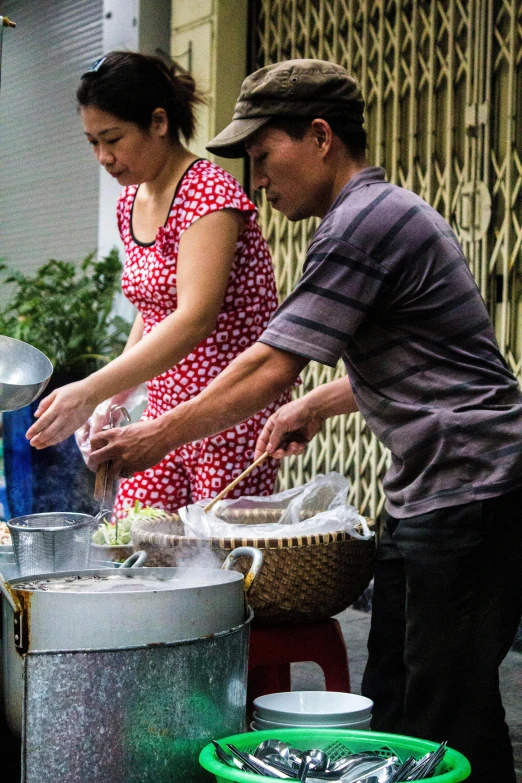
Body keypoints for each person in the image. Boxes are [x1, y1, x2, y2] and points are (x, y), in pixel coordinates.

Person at [32, 58, 522, 781]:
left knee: (449, 711)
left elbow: (266, 364)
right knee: (396, 694)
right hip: (434, 487)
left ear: (320, 137)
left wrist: (152, 435)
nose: (258, 180)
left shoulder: (360, 224)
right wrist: (315, 404)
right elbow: (424, 358)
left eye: (264, 156)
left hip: (472, 486)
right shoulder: (374, 215)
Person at [25, 50, 290, 514]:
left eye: (113, 139)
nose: (104, 157)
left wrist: (88, 390)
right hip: (159, 415)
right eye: (92, 143)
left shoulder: (209, 194)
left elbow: (193, 318)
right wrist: (114, 396)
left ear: (159, 122)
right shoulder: (130, 202)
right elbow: (152, 312)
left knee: (220, 566)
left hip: (225, 417)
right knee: (137, 542)